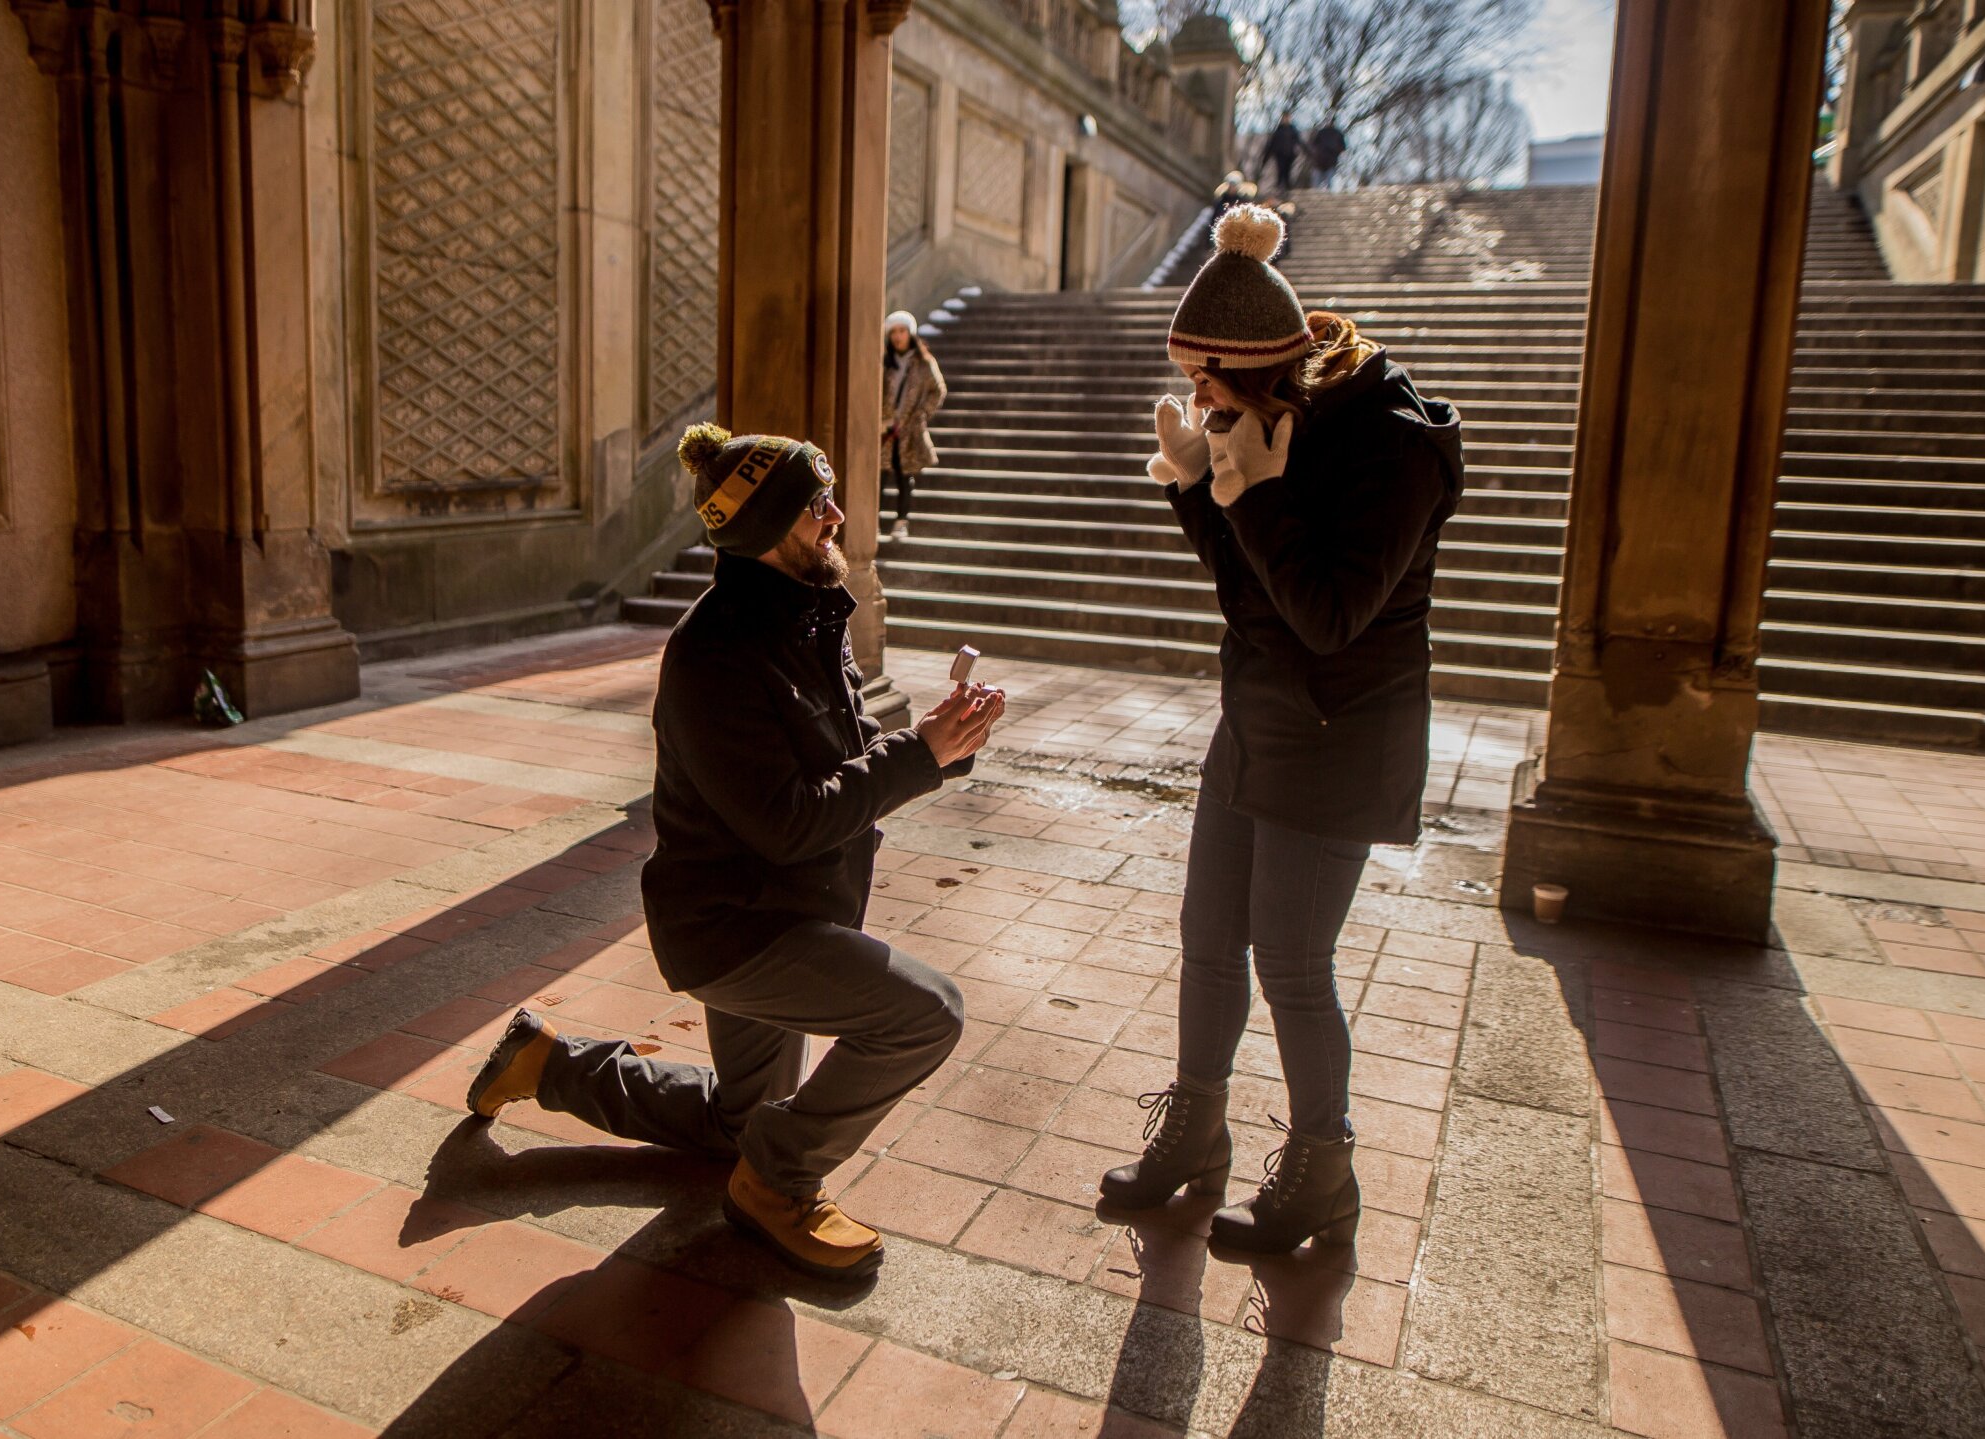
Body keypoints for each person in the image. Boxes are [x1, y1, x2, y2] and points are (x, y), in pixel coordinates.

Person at [466, 423, 1006, 1281]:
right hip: (738, 932)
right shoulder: (713, 656)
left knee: (736, 1118)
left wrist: (944, 738)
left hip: (793, 911)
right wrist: (922, 754)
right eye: (813, 504)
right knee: (926, 1012)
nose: (836, 514)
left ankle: (547, 1063)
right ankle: (777, 1182)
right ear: (763, 531)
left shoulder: (808, 611)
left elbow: (856, 753)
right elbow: (788, 822)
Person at [1100, 203, 1463, 1256]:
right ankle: (1193, 1131)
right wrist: (1196, 489)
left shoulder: (1390, 449)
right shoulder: (1258, 422)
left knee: (1293, 961)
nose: (1197, 398)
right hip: (1257, 714)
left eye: (1207, 382)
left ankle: (1323, 1170)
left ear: (1259, 367)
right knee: (1208, 937)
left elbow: (1328, 614)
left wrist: (1248, 493)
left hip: (1343, 732)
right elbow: (1246, 591)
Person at [881, 311, 946, 543]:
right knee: (879, 475)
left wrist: (921, 414)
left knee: (904, 475)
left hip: (908, 429)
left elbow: (937, 390)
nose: (898, 337)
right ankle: (874, 523)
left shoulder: (923, 363)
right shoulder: (885, 363)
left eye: (902, 331)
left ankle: (901, 521)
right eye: (894, 332)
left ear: (910, 333)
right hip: (884, 429)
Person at [1258, 111, 1303, 194]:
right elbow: (1272, 144)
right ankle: (1279, 188)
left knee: (1288, 172)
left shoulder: (1293, 130)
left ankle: (1288, 189)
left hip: (1290, 155)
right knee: (1280, 171)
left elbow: (1299, 142)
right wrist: (1265, 159)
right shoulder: (1279, 130)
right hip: (1280, 155)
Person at [1307, 119, 1347, 190]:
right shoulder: (1320, 133)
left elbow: (1343, 147)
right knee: (1315, 186)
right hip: (1318, 162)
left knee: (1329, 185)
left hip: (1331, 162)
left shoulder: (1337, 134)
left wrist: (1335, 150)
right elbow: (1313, 145)